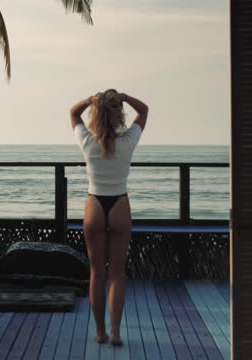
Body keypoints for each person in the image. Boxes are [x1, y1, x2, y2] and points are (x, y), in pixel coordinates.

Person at [69, 89, 148, 345]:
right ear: (117, 116)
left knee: (96, 273)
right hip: (119, 205)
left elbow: (73, 112)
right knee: (116, 273)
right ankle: (115, 333)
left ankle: (100, 332)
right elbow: (144, 110)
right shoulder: (127, 142)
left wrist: (90, 100)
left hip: (94, 205)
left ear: (97, 115)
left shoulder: (87, 141)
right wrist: (125, 97)